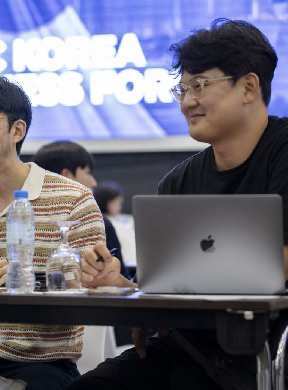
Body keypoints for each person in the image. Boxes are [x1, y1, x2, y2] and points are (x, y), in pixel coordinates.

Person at [66, 18, 288, 390]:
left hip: (261, 350)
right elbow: (159, 286)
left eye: (199, 86)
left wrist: (171, 294)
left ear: (249, 86)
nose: (187, 102)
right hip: (182, 347)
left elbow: (276, 267)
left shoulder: (281, 154)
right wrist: (119, 285)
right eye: (181, 89)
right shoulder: (178, 181)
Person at [0, 75, 129, 390]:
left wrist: (27, 276)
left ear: (18, 129)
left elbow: (89, 289)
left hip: (39, 361)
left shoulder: (74, 200)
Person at [33, 141, 130, 279]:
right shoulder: (99, 222)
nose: (94, 182)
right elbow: (120, 281)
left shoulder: (26, 217)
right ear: (66, 175)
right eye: (87, 172)